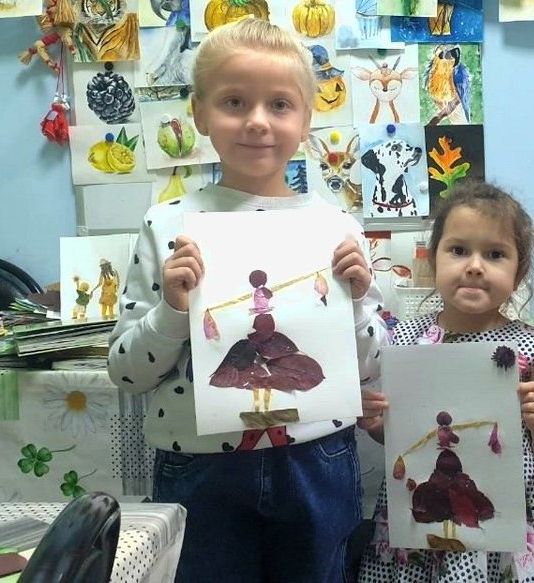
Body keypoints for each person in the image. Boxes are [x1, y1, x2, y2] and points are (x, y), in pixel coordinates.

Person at [106, 17, 386, 583]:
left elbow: (370, 365)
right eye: (234, 102)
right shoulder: (168, 225)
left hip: (316, 455)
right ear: (199, 114)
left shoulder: (336, 228)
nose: (258, 121)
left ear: (306, 120)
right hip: (201, 464)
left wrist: (356, 303)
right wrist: (172, 312)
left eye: (279, 105)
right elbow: (126, 373)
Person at [356, 181, 534, 582]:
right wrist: (377, 425)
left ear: (519, 272)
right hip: (419, 523)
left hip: (503, 523)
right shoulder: (403, 341)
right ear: (433, 259)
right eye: (459, 250)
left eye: (495, 254)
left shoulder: (530, 347)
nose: (475, 266)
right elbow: (400, 439)